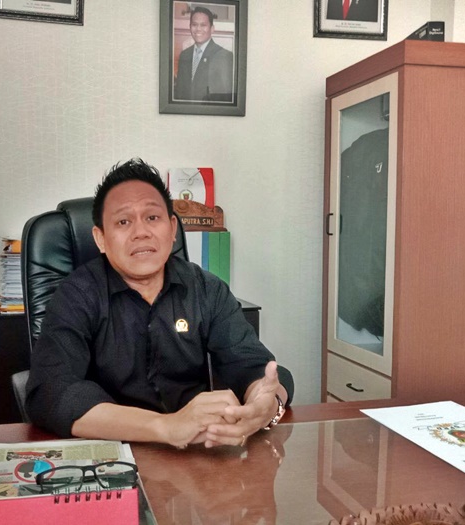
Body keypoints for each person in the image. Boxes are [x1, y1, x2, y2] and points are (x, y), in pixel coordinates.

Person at [25, 158, 294, 449]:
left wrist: (265, 405)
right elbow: (51, 391)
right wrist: (166, 426)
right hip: (110, 454)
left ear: (172, 228)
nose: (141, 232)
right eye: (123, 222)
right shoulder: (76, 295)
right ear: (100, 238)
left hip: (198, 452)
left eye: (152, 217)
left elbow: (254, 367)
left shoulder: (206, 289)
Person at [173, 6, 234, 102]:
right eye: (194, 24)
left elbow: (226, 97)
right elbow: (179, 93)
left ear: (212, 28)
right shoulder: (184, 55)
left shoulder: (224, 56)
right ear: (190, 27)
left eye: (203, 25)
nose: (198, 29)